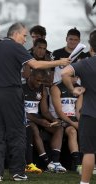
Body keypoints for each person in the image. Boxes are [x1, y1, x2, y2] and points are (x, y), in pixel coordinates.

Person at [0, 22, 70, 182]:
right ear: (15, 34)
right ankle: (17, 172)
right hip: (11, 92)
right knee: (17, 133)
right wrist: (59, 62)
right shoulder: (15, 47)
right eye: (24, 35)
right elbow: (35, 64)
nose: (25, 40)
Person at [61, 30, 96, 184]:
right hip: (89, 114)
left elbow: (64, 73)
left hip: (89, 114)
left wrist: (72, 89)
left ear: (91, 48)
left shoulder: (85, 63)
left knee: (89, 152)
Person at [23, 69, 66, 173]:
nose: (39, 83)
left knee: (58, 128)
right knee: (33, 128)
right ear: (31, 77)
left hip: (37, 117)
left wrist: (53, 119)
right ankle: (47, 162)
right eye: (38, 80)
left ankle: (55, 162)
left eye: (42, 81)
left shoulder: (42, 89)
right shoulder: (21, 88)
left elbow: (45, 111)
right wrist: (39, 121)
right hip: (25, 118)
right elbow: (21, 112)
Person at [50, 76, 83, 171]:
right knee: (72, 130)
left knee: (84, 130)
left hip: (72, 119)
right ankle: (78, 165)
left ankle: (85, 164)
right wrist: (73, 123)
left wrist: (81, 123)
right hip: (59, 118)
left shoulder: (79, 89)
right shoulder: (56, 87)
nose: (75, 79)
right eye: (72, 77)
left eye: (77, 76)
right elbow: (59, 111)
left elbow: (78, 111)